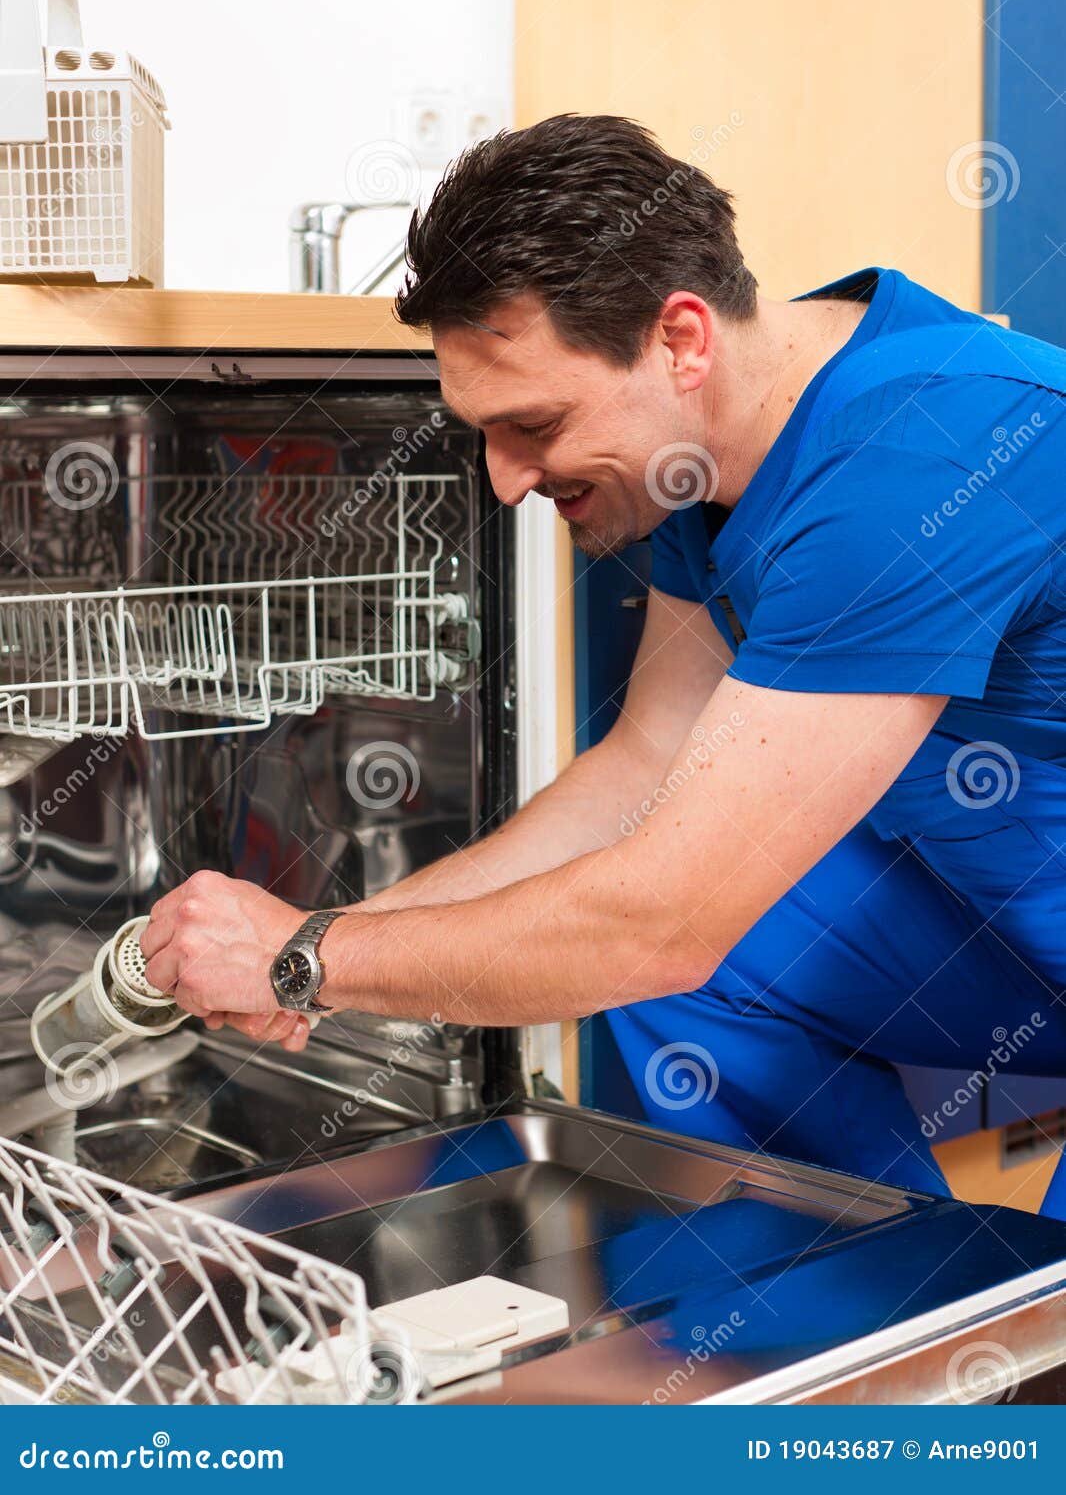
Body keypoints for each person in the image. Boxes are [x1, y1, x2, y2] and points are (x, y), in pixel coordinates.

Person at [141, 114, 1066, 1216]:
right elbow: (642, 772)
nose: (501, 480)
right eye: (480, 432)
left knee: (667, 939)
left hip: (1019, 905)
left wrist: (304, 962)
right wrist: (323, 950)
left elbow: (660, 919)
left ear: (680, 340)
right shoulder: (699, 463)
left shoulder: (917, 455)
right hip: (1007, 912)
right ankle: (873, 1298)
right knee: (706, 961)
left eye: (533, 423)